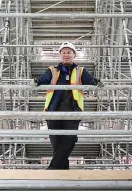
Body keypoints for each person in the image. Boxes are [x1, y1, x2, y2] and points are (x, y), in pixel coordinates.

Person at [31, 41, 103, 170]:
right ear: (60, 55)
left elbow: (90, 80)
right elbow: (43, 79)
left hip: (72, 110)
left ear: (74, 55)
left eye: (69, 52)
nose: (66, 55)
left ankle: (52, 169)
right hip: (53, 111)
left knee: (71, 138)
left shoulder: (81, 71)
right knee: (57, 144)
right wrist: (36, 81)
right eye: (63, 52)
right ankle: (62, 175)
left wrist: (96, 81)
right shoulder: (52, 70)